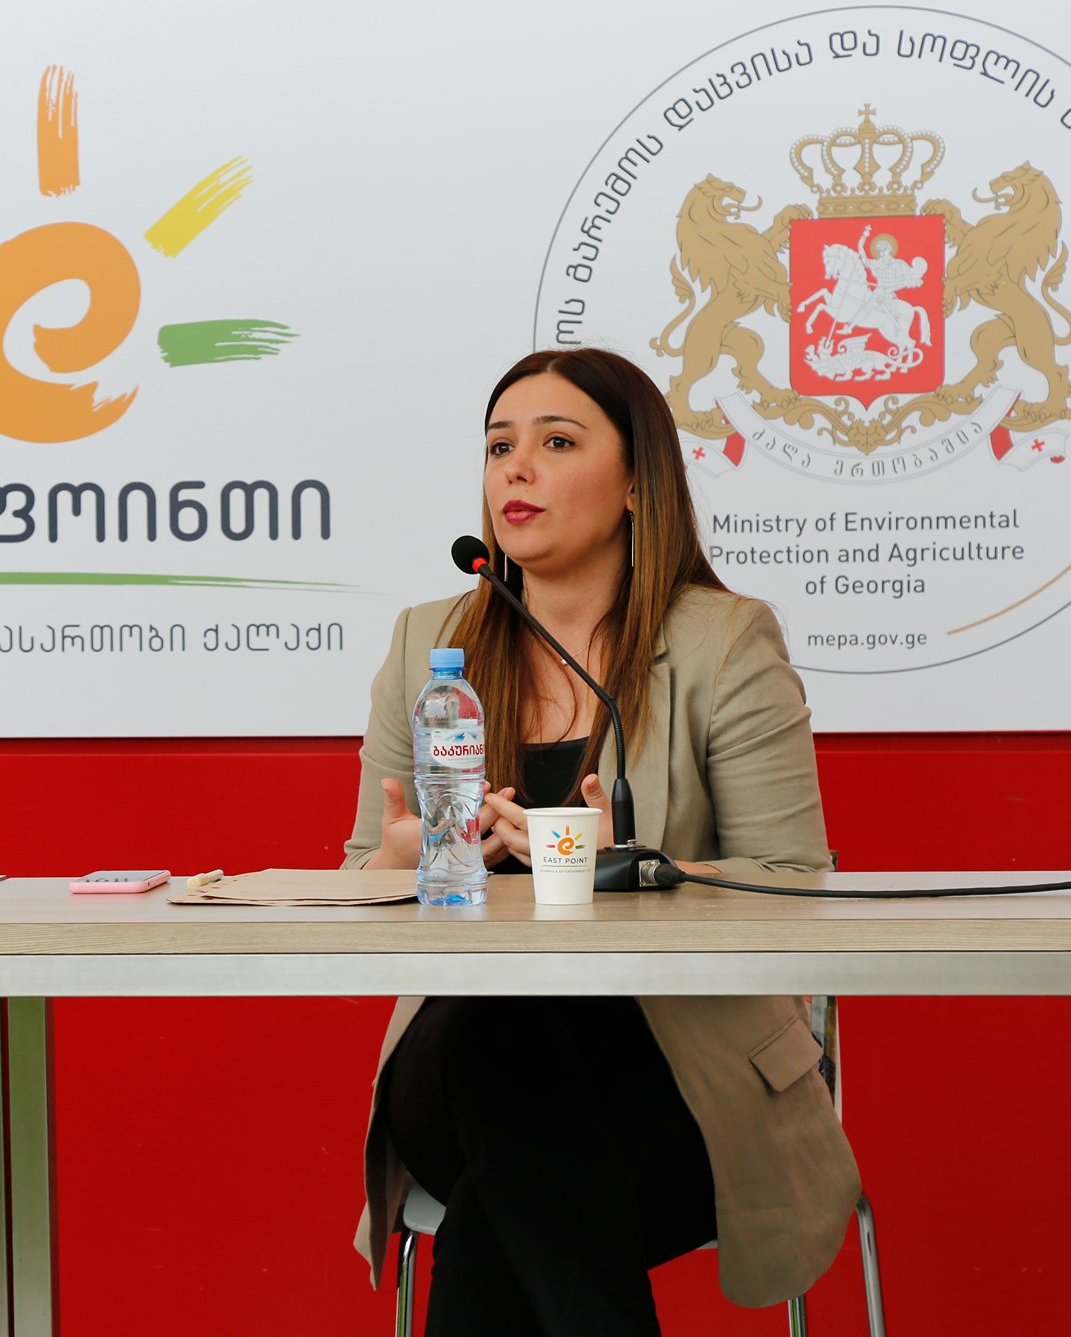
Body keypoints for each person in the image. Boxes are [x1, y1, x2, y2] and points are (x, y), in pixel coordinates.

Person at [343, 348, 859, 1335]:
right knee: (508, 1034)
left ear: (635, 484)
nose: (515, 467)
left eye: (555, 441)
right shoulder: (426, 644)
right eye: (499, 445)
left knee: (506, 1193)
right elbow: (356, 877)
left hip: (676, 1080)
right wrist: (399, 860)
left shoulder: (721, 642)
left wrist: (634, 867)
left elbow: (795, 884)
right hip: (455, 1068)